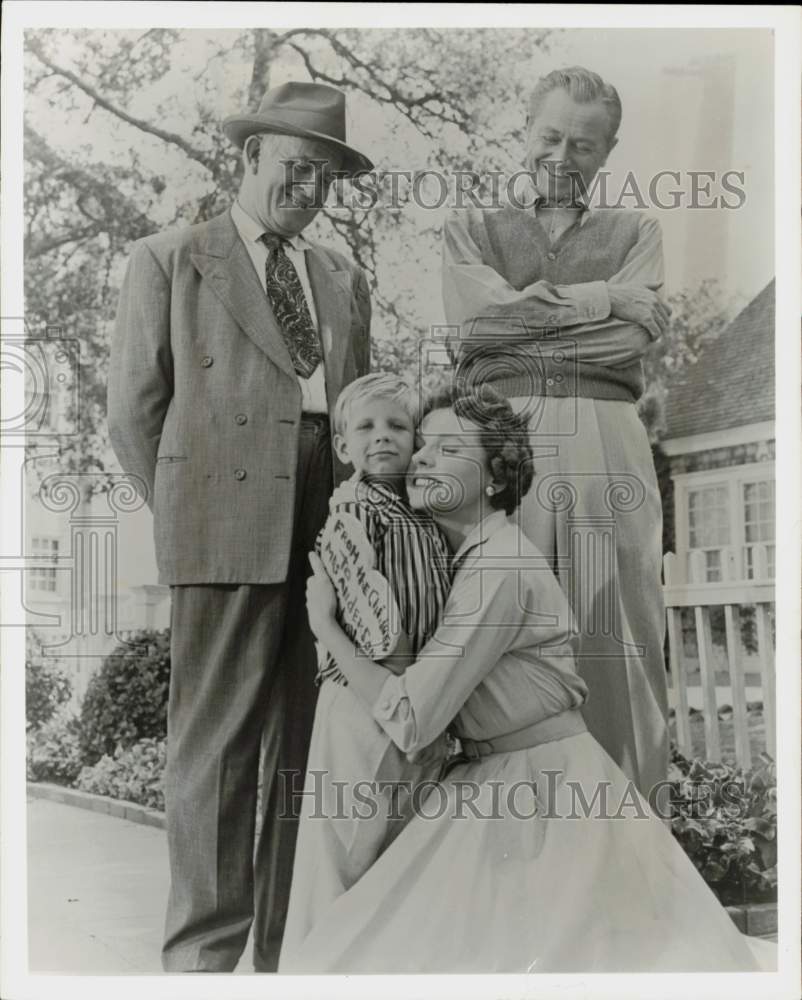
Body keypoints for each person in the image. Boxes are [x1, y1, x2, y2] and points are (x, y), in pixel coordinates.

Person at [279, 385, 762, 974]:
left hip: (545, 793)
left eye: (449, 447)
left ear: (493, 477)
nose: (423, 457)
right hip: (501, 776)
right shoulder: (460, 559)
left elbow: (410, 718)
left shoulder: (496, 569)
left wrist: (324, 628)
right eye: (424, 443)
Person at [108, 82, 373, 972]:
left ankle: (281, 953)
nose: (310, 188)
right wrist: (195, 510)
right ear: (250, 156)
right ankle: (202, 961)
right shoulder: (171, 257)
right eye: (297, 166)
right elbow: (134, 415)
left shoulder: (340, 275)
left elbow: (361, 407)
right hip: (222, 513)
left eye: (327, 176)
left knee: (310, 742)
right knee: (216, 749)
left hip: (325, 512)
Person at [442, 66, 671, 801]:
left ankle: (631, 845)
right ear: (525, 131)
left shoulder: (638, 230)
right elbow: (474, 333)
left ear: (608, 151)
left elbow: (630, 345)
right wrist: (602, 306)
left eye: (583, 143)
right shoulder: (471, 227)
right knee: (506, 627)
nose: (562, 156)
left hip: (609, 443)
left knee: (617, 632)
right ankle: (516, 850)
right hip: (509, 444)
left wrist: (538, 314)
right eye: (549, 136)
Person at [280, 372, 452, 956]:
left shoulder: (422, 514)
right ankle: (317, 962)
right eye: (366, 427)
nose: (383, 437)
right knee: (344, 841)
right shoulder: (354, 509)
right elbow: (364, 604)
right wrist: (408, 675)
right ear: (343, 446)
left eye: (398, 426)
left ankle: (371, 961)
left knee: (395, 836)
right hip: (360, 695)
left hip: (407, 697)